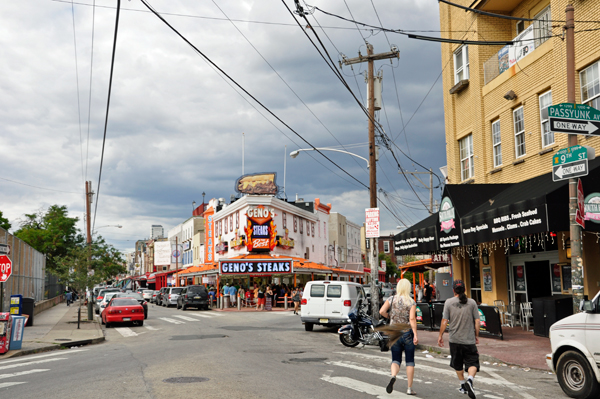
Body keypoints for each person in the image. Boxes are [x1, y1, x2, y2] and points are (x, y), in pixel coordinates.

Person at [437, 280, 480, 399]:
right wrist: (476, 335)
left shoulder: (448, 302)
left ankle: (462, 385)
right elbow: (477, 321)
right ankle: (470, 381)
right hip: (469, 340)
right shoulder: (472, 303)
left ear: (453, 290)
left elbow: (444, 321)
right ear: (465, 290)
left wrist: (440, 335)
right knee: (473, 362)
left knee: (458, 363)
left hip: (454, 339)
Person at [378, 279, 418, 395]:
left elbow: (381, 311)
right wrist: (415, 334)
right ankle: (409, 388)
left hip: (394, 332)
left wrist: (390, 316)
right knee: (410, 361)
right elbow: (412, 319)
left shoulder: (391, 299)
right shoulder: (411, 302)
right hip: (406, 332)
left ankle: (394, 375)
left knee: (395, 359)